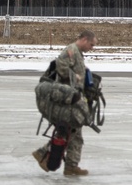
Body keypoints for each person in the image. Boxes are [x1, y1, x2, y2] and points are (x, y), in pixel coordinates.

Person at [32, 29, 97, 176]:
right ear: (85, 40)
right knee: (71, 130)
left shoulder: (77, 53)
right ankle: (44, 153)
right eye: (91, 45)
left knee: (74, 132)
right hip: (66, 100)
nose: (91, 48)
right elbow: (61, 67)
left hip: (72, 99)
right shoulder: (71, 50)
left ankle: (71, 166)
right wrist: (76, 78)